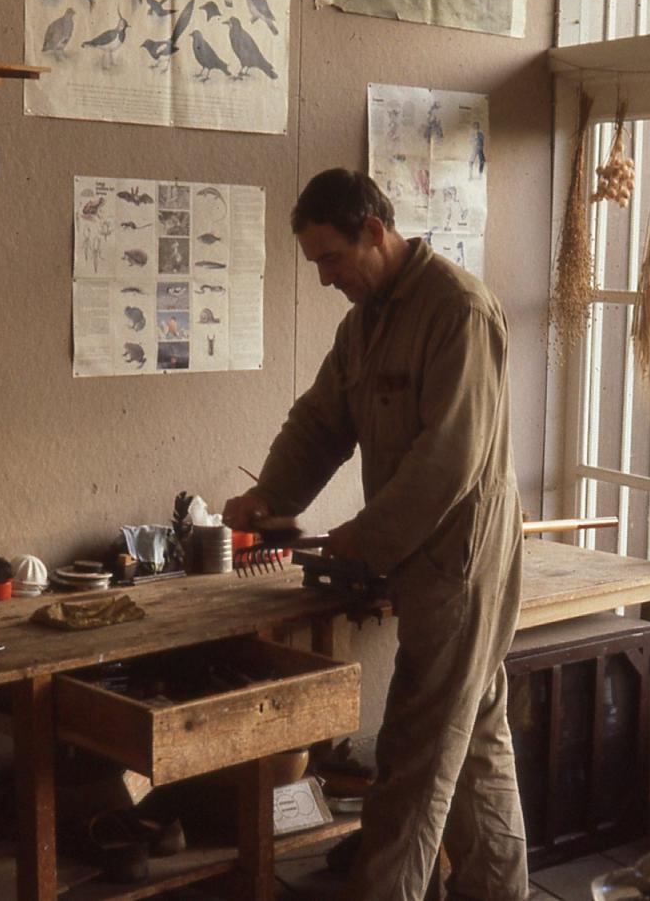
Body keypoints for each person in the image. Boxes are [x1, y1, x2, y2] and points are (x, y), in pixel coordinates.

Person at [223, 169, 528, 901]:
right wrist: (269, 496)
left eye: (331, 258)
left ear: (373, 231)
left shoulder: (457, 309)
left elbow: (449, 457)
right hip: (418, 560)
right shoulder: (363, 324)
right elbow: (321, 420)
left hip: (462, 563)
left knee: (415, 759)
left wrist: (364, 535)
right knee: (475, 741)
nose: (326, 278)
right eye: (314, 264)